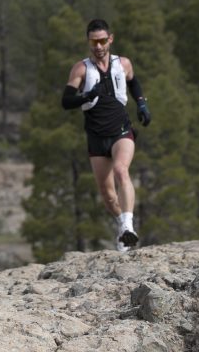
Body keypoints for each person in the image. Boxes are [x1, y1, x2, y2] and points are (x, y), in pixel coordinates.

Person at [61, 19, 151, 252]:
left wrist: (141, 104)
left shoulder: (123, 64)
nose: (98, 46)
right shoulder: (81, 69)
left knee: (122, 170)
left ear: (110, 39)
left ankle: (129, 226)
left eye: (102, 40)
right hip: (96, 135)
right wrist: (86, 95)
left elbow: (134, 83)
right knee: (107, 193)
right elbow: (66, 100)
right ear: (88, 41)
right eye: (94, 41)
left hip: (121, 130)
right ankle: (122, 229)